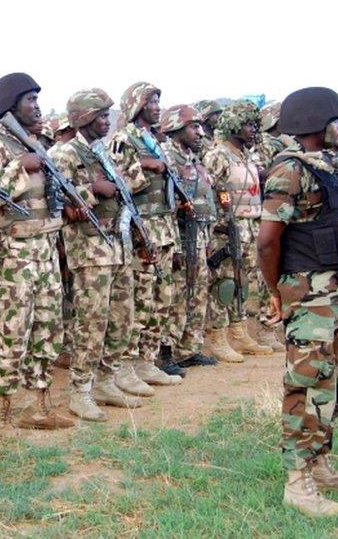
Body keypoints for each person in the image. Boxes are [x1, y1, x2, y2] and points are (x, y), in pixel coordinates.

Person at [258, 86, 338, 518]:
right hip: (308, 296)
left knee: (336, 382)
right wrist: (277, 293)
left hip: (336, 293)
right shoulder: (289, 171)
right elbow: (268, 242)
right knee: (307, 386)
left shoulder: (328, 168)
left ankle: (321, 464)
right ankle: (297, 482)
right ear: (315, 125)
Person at [0, 72, 74, 431]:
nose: (37, 105)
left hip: (45, 247)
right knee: (13, 330)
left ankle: (39, 406)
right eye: (29, 98)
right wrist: (19, 168)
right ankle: (1, 414)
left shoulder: (35, 143)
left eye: (37, 98)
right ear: (10, 106)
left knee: (47, 327)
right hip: (14, 253)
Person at [52, 88, 143, 421]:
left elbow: (127, 187)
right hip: (90, 249)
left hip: (117, 245)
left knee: (122, 317)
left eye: (108, 115)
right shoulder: (66, 152)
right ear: (84, 119)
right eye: (101, 116)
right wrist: (93, 191)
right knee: (91, 321)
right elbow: (59, 198)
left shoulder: (103, 151)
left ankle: (107, 379)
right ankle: (81, 389)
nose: (107, 121)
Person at [107, 81, 183, 386]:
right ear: (138, 106)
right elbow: (120, 183)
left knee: (160, 299)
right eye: (152, 102)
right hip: (141, 231)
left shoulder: (155, 139)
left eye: (158, 101)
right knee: (137, 299)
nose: (157, 107)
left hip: (163, 228)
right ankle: (125, 366)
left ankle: (146, 360)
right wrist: (146, 166)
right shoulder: (124, 140)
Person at [203, 100, 275, 361]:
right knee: (224, 283)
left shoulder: (246, 155)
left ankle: (240, 331)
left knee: (242, 283)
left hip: (249, 226)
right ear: (233, 125)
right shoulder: (217, 155)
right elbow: (211, 193)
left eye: (255, 125)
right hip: (226, 229)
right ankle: (218, 337)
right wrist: (220, 225)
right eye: (247, 125)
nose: (253, 130)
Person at [161, 105, 219, 370]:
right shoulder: (167, 156)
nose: (199, 132)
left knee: (197, 291)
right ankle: (167, 351)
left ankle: (189, 347)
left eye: (199, 126)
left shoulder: (192, 157)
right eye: (193, 127)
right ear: (176, 129)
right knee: (178, 294)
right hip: (180, 237)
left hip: (199, 235)